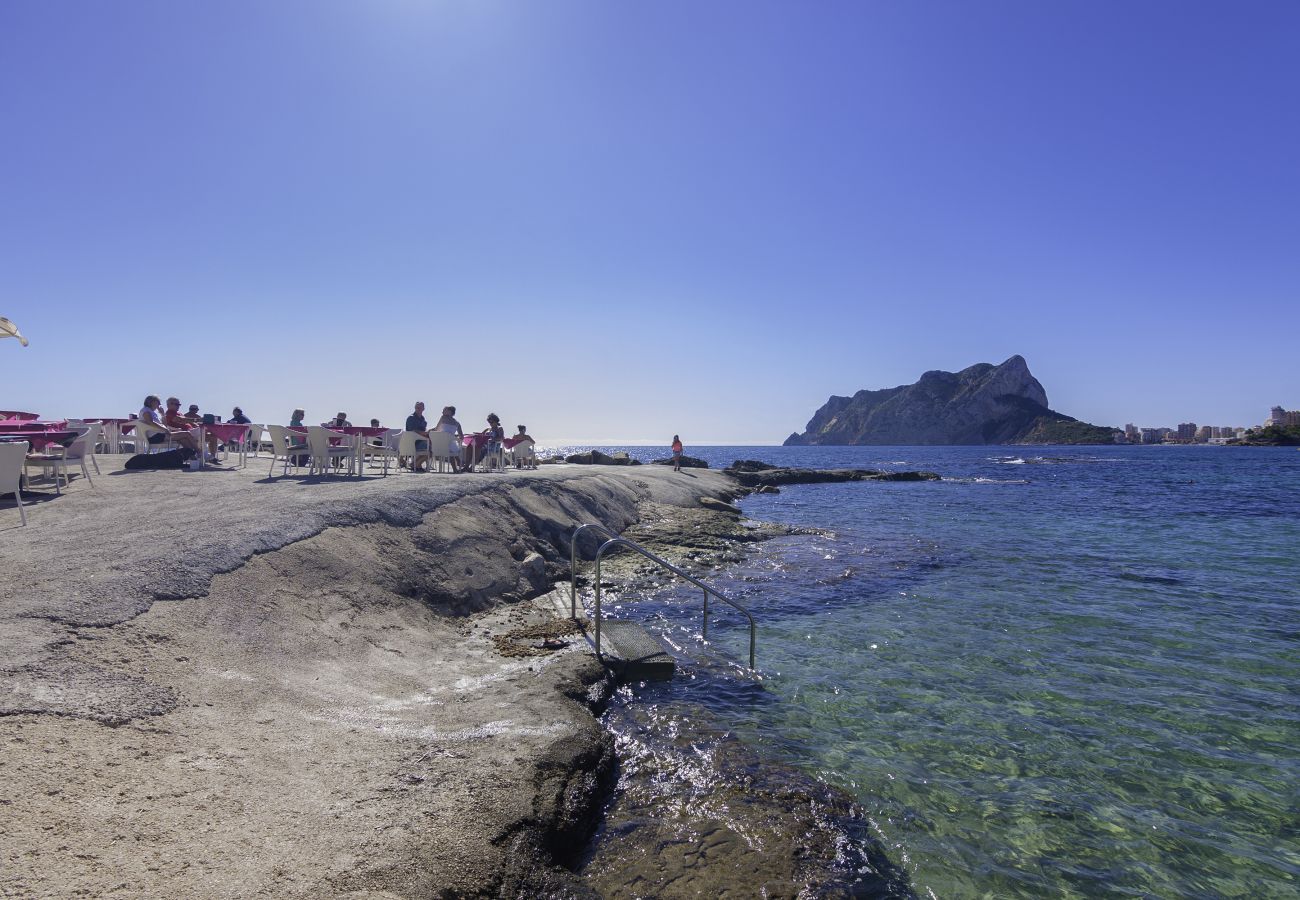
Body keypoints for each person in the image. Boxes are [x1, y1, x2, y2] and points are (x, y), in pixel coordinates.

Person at [137, 395, 210, 461]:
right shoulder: (146, 411)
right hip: (156, 436)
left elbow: (164, 425)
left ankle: (193, 457)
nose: (159, 404)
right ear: (152, 402)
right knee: (187, 433)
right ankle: (199, 452)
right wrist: (164, 429)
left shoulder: (150, 411)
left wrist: (162, 414)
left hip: (159, 435)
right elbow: (150, 422)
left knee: (182, 438)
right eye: (158, 402)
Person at [435, 405, 465, 473]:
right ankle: (457, 463)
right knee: (451, 447)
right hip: (451, 443)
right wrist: (455, 438)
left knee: (449, 445)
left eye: (444, 410)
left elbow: (437, 429)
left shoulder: (443, 418)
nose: (442, 412)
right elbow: (461, 437)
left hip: (440, 444)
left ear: (449, 412)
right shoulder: (457, 423)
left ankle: (457, 463)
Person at [404, 402, 430, 472]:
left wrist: (428, 432)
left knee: (432, 449)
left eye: (420, 407)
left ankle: (415, 464)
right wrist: (425, 433)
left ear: (423, 409)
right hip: (413, 443)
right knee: (431, 450)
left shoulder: (422, 419)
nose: (418, 409)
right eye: (417, 407)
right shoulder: (411, 418)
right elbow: (413, 430)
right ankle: (416, 465)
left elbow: (423, 430)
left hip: (421, 441)